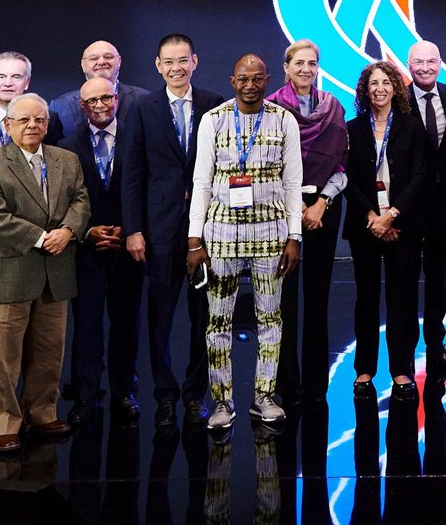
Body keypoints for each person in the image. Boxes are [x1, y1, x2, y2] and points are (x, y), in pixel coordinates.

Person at [186, 54, 304, 434]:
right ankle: (222, 401)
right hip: (220, 235)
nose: (250, 85)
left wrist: (294, 236)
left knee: (271, 319)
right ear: (232, 81)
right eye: (243, 79)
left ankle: (264, 396)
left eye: (257, 78)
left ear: (267, 79)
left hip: (271, 234)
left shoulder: (284, 119)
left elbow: (292, 183)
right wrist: (194, 240)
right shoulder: (214, 120)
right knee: (217, 321)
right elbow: (201, 182)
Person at [0, 93, 90, 453]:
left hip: (57, 273)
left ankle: (41, 412)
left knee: (49, 351)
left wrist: (68, 231)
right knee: (4, 357)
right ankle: (2, 423)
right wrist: (43, 238)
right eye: (23, 120)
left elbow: (81, 200)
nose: (32, 126)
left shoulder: (66, 160)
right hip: (10, 273)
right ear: (7, 125)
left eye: (39, 120)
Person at [120, 33, 226, 430]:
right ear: (157, 65)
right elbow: (131, 174)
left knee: (203, 318)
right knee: (161, 319)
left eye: (184, 60)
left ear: (195, 62)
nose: (177, 67)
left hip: (208, 230)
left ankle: (195, 395)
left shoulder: (215, 104)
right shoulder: (142, 108)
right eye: (169, 61)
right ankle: (164, 395)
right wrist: (133, 230)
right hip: (159, 230)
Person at [57, 76, 144, 426]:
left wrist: (131, 228)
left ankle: (125, 391)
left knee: (126, 325)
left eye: (106, 99)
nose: (100, 106)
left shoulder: (137, 139)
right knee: (87, 327)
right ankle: (86, 395)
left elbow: (143, 189)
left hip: (128, 247)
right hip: (86, 248)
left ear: (116, 98)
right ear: (82, 106)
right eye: (91, 101)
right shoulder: (67, 144)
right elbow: (63, 198)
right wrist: (89, 231)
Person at [267, 40, 349, 409]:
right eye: (298, 63)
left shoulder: (334, 108)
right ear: (285, 67)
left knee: (318, 298)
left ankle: (316, 385)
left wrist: (321, 203)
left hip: (322, 212)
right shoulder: (269, 108)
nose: (305, 69)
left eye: (312, 63)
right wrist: (294, 205)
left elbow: (344, 165)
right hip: (281, 214)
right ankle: (287, 385)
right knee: (282, 303)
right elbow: (264, 165)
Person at [344, 61, 431, 404]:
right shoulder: (352, 129)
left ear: (396, 87)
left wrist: (392, 216)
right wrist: (372, 216)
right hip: (365, 226)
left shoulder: (412, 128)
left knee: (402, 299)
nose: (380, 88)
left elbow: (421, 176)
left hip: (402, 227)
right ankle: (364, 369)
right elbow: (345, 177)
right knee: (366, 298)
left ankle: (401, 369)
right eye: (373, 83)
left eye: (386, 82)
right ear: (365, 90)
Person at [406, 40, 446, 380]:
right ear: (408, 64)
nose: (426, 67)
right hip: (408, 206)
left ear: (441, 63)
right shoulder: (397, 98)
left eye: (432, 61)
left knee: (436, 280)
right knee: (405, 280)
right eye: (419, 62)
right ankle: (404, 350)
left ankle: (435, 347)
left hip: (445, 204)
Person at [49, 40, 152, 146]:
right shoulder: (59, 107)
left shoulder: (144, 100)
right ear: (83, 65)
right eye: (94, 58)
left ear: (119, 61)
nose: (102, 62)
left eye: (108, 57)